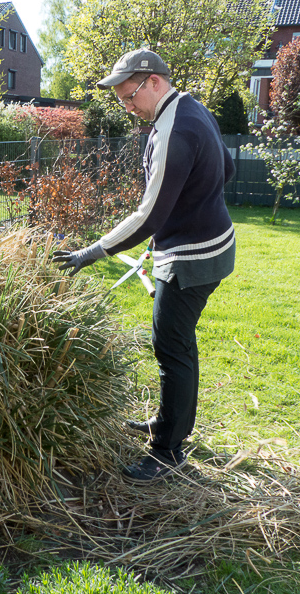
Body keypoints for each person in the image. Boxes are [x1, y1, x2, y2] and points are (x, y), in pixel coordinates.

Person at [52, 48, 236, 484]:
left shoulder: (176, 126)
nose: (127, 107)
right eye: (121, 99)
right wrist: (190, 206)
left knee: (171, 349)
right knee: (177, 344)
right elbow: (226, 169)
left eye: (128, 96)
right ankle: (169, 423)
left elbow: (148, 214)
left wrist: (89, 253)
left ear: (153, 81)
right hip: (210, 244)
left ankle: (167, 450)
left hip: (192, 258)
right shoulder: (193, 108)